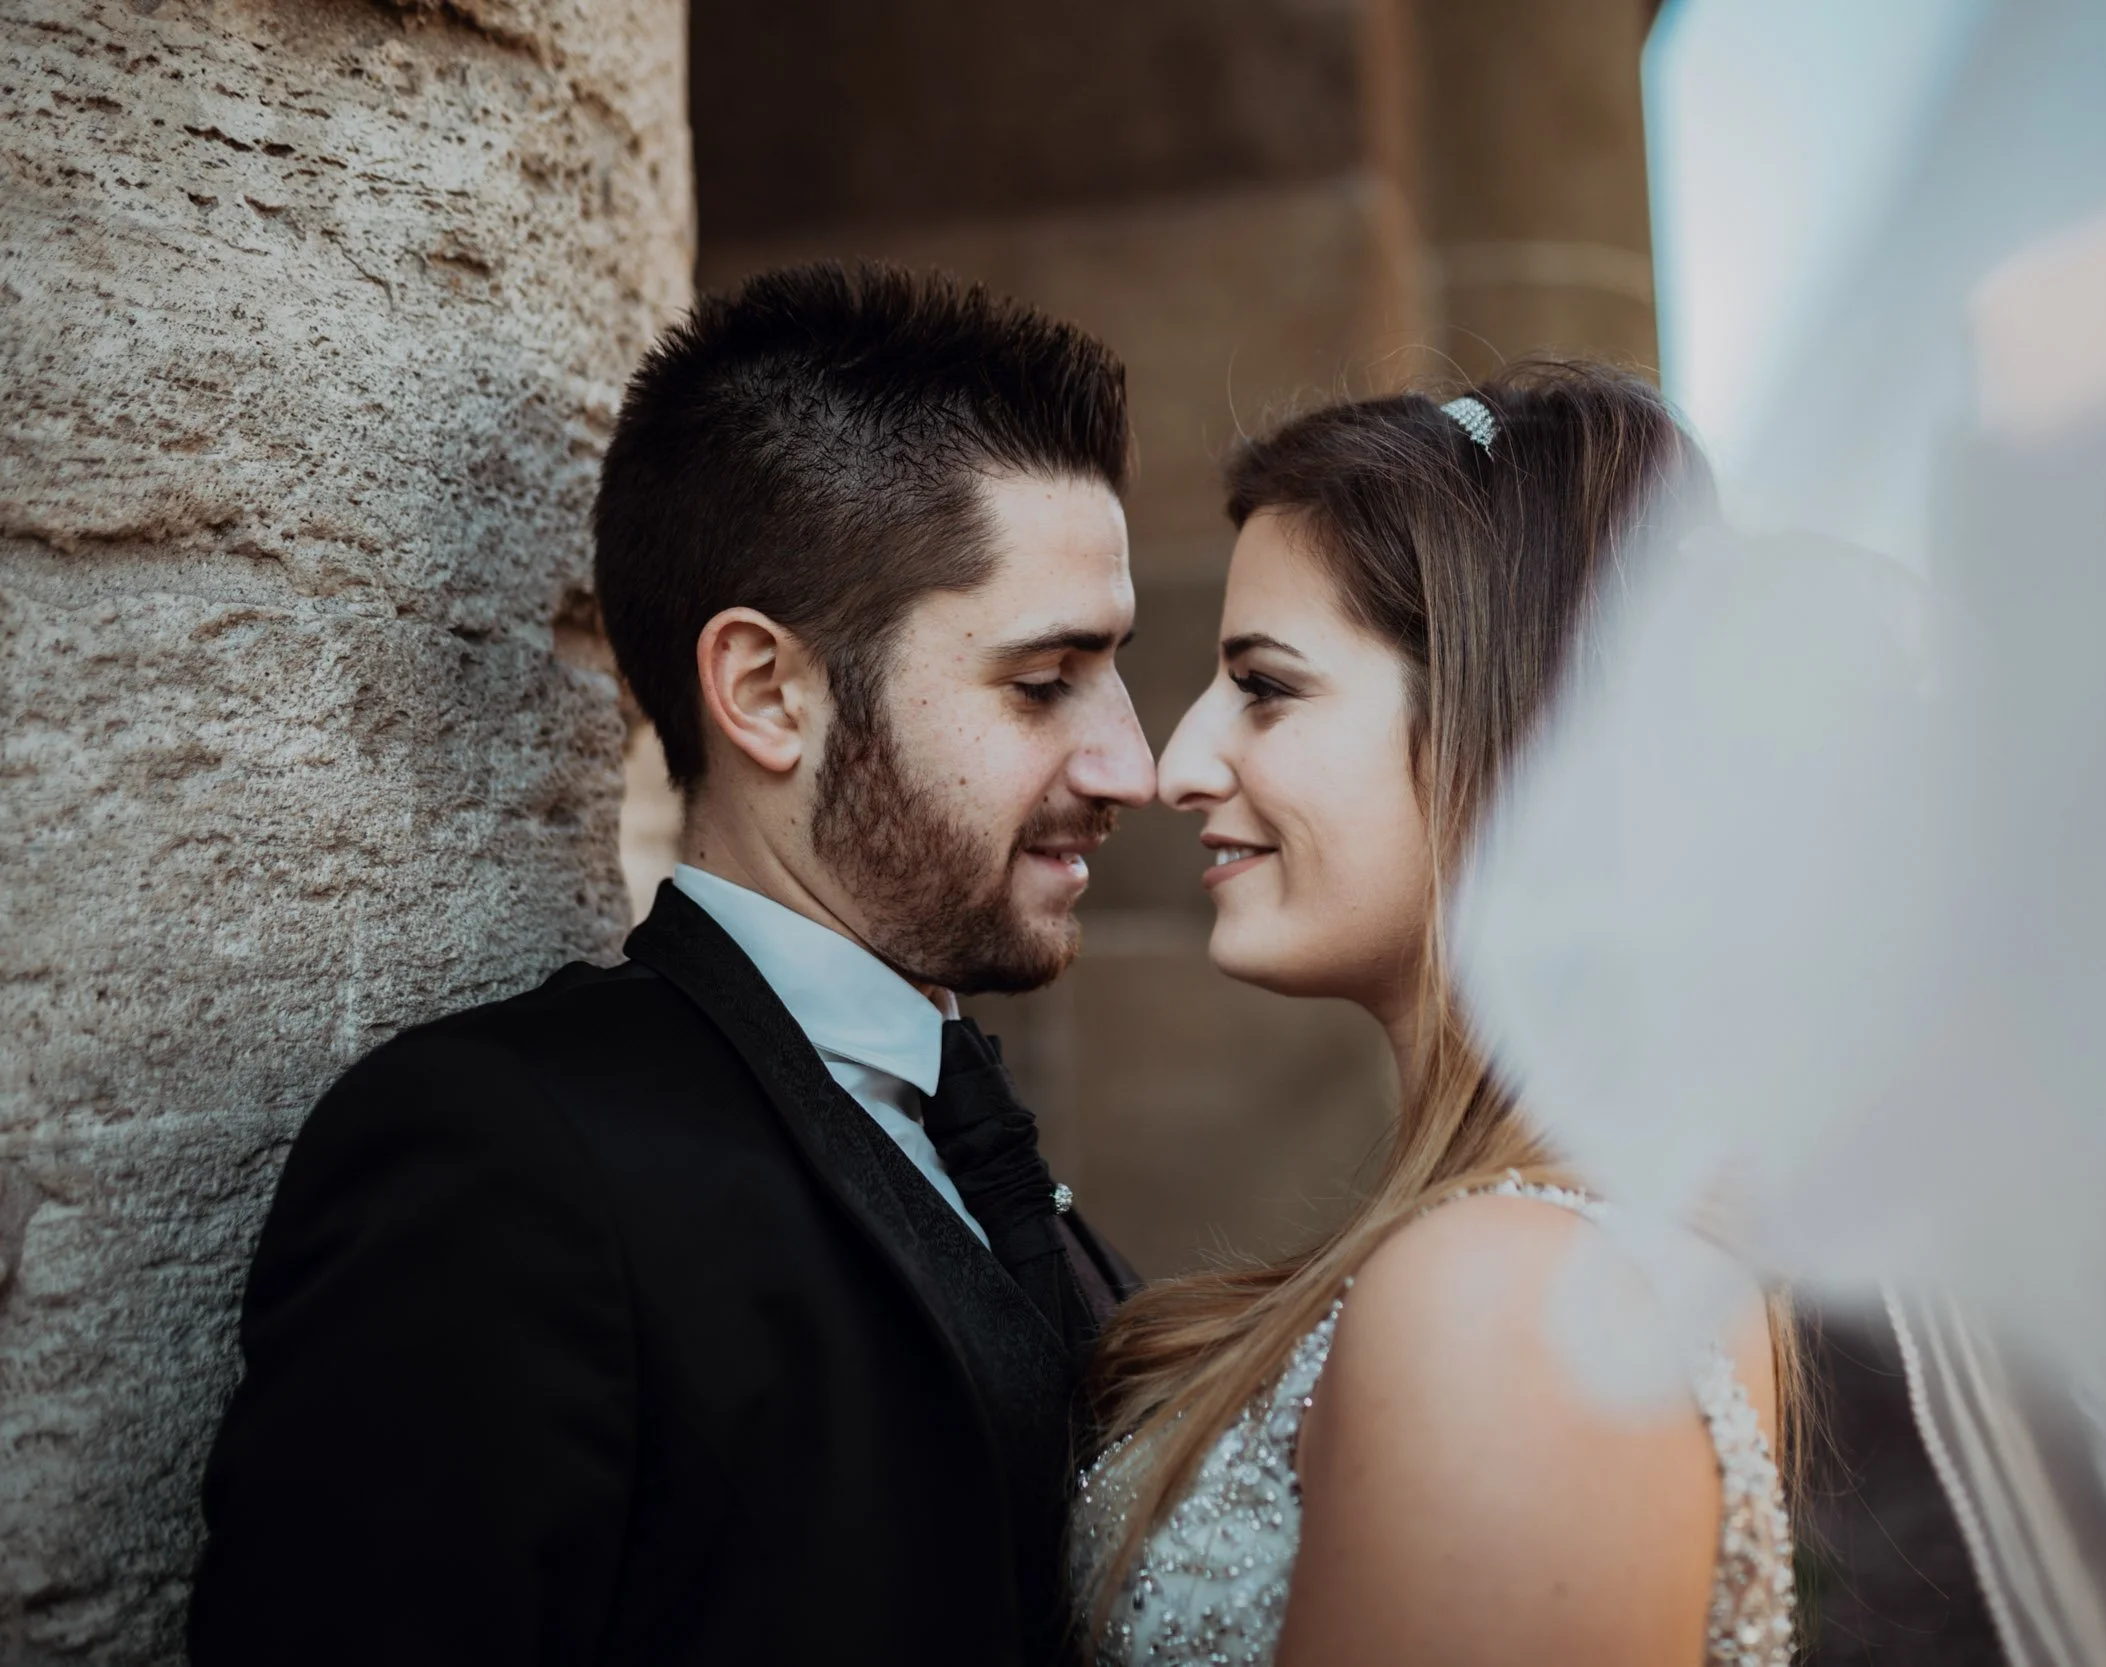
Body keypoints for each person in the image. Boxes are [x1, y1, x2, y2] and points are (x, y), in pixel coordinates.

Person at [190, 264, 1154, 1666]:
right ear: (768, 690)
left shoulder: (972, 1132)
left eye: (1116, 668)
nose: (1134, 760)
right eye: (1042, 680)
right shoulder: (500, 1162)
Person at [1070, 362, 1801, 1667]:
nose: (1178, 765)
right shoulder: (1529, 1259)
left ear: (1499, 726)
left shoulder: (1518, 1300)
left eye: (1268, 685)